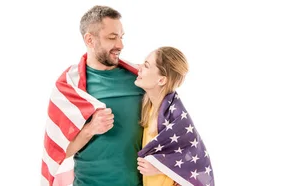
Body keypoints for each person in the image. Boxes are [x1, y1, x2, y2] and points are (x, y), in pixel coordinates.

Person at [41, 5, 144, 186]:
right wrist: (90, 129)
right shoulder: (69, 87)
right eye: (112, 38)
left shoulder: (140, 78)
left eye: (121, 37)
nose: (120, 45)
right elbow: (58, 151)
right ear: (90, 39)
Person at [134, 46, 215, 186]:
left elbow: (195, 159)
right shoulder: (148, 107)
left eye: (146, 66)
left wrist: (161, 166)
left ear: (161, 80)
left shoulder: (177, 116)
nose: (139, 67)